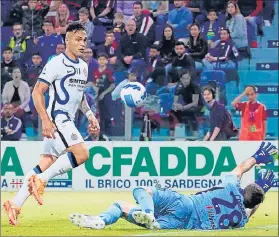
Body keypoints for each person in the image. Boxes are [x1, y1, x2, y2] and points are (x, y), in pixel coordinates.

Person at [2, 22, 100, 226]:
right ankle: (42, 180)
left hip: (67, 120)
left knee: (44, 163)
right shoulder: (56, 62)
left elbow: (79, 96)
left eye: (84, 40)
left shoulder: (83, 66)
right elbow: (37, 91)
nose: (82, 44)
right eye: (78, 39)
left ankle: (15, 203)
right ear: (67, 40)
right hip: (58, 119)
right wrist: (46, 120)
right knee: (82, 154)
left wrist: (90, 115)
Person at [69, 141, 278, 230]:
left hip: (185, 204)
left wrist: (257, 157)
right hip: (181, 225)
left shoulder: (232, 187)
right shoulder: (241, 219)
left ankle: (145, 212)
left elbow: (241, 167)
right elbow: (250, 210)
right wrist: (264, 191)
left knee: (142, 190)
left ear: (243, 189)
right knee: (124, 209)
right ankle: (100, 220)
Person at [169, 69, 203, 137]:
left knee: (191, 111)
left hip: (199, 106)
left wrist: (183, 107)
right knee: (172, 112)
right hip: (186, 106)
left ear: (190, 77)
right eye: (184, 78)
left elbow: (195, 103)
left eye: (187, 78)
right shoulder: (179, 86)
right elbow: (174, 102)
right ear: (181, 79)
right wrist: (175, 106)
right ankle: (171, 135)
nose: (186, 80)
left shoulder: (194, 87)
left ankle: (195, 134)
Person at [93, 53, 115, 136]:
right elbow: (95, 83)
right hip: (98, 96)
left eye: (103, 59)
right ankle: (101, 134)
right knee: (100, 115)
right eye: (100, 59)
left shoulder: (108, 72)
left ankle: (109, 134)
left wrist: (104, 94)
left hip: (106, 95)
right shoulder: (95, 71)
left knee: (107, 114)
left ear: (106, 61)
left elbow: (112, 85)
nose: (101, 61)